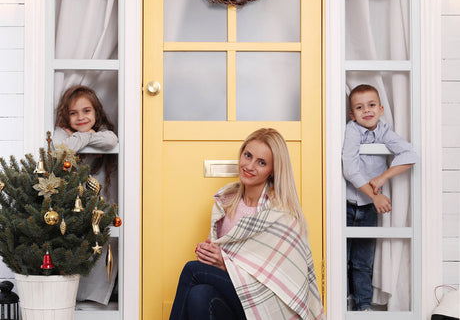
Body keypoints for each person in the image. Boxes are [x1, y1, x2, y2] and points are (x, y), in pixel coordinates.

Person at [170, 128, 326, 320]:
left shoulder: (281, 215)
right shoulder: (226, 201)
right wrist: (209, 250)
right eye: (247, 155)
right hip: (234, 298)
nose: (249, 166)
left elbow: (279, 278)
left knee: (192, 270)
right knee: (199, 294)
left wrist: (226, 264)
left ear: (273, 170)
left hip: (265, 303)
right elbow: (228, 249)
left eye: (261, 162)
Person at [342, 84, 419, 312]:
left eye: (372, 105)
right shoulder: (352, 130)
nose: (367, 110)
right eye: (359, 107)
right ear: (352, 114)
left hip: (367, 208)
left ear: (381, 109)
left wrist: (383, 177)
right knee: (342, 258)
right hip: (347, 204)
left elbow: (410, 154)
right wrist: (374, 196)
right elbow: (350, 169)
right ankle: (342, 303)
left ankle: (363, 306)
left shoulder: (384, 131)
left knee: (363, 262)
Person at [53, 84, 119, 306]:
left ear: (97, 112)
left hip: (97, 199)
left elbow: (110, 141)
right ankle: (72, 295)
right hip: (70, 201)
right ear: (66, 115)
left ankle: (97, 295)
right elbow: (64, 147)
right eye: (73, 112)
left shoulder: (103, 132)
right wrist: (87, 136)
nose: (80, 117)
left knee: (101, 244)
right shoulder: (62, 131)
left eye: (86, 111)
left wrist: (83, 137)